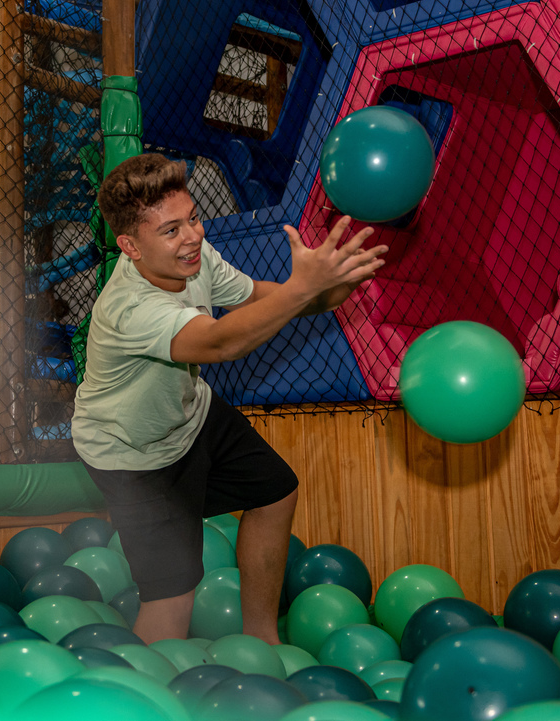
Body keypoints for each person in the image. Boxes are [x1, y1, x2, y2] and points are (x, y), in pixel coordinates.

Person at [72, 153, 387, 643]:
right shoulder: (129, 308)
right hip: (131, 454)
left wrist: (329, 287)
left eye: (194, 218)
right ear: (130, 246)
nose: (192, 236)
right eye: (171, 230)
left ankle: (262, 640)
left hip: (188, 416)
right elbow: (220, 343)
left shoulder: (195, 261)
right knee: (172, 594)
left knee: (275, 491)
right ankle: (146, 682)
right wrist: (301, 289)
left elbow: (263, 299)